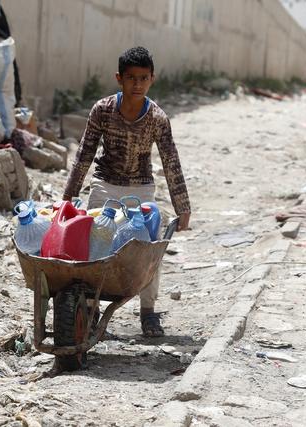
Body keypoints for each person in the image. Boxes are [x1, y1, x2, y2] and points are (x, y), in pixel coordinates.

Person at [63, 46, 191, 337]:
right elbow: (84, 153)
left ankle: (148, 312)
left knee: (149, 251)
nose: (137, 84)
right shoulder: (103, 110)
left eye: (143, 78)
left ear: (152, 80)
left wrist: (183, 207)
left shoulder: (157, 118)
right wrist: (68, 196)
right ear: (119, 78)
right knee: (95, 246)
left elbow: (171, 162)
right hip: (105, 184)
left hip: (142, 188)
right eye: (131, 78)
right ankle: (91, 311)